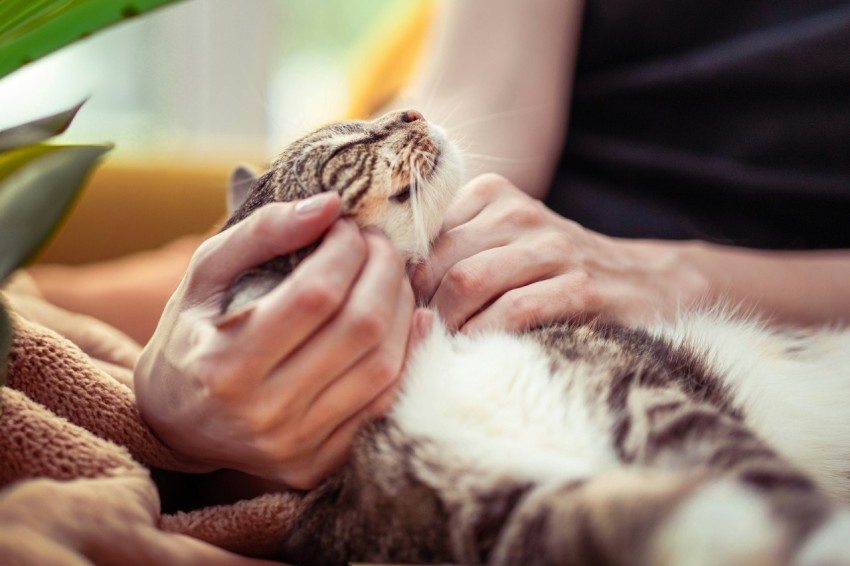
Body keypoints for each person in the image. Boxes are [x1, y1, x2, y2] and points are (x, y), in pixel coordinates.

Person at [132, 0, 850, 489]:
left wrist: (676, 274)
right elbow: (468, 107)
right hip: (480, 304)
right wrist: (171, 388)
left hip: (735, 343)